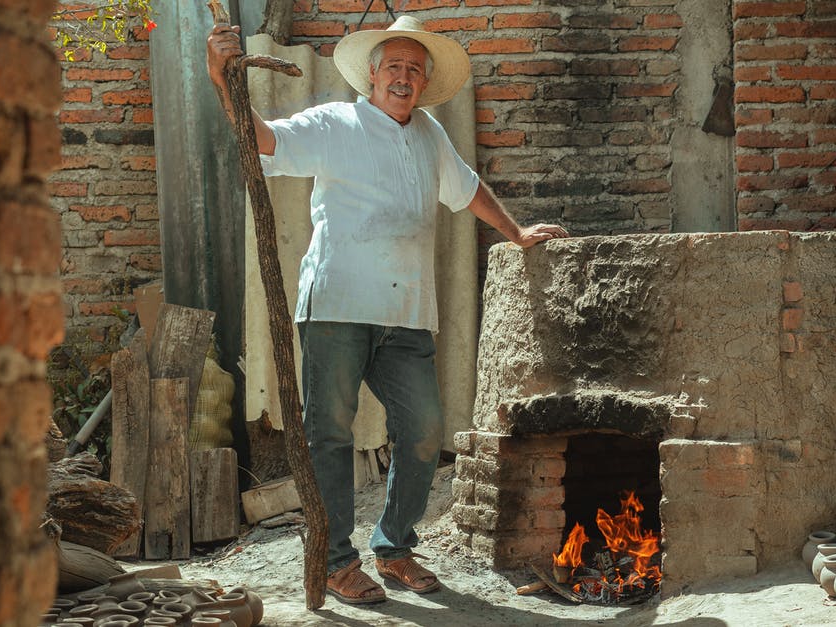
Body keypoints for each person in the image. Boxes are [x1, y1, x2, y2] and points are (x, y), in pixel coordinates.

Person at [207, 15, 569, 604]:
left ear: (424, 83)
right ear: (372, 75)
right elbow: (262, 139)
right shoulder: (335, 122)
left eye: (415, 70)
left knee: (424, 430)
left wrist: (515, 230)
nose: (404, 78)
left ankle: (394, 546)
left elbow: (467, 186)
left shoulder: (428, 132)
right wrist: (222, 78)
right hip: (336, 305)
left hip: (407, 312)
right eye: (394, 67)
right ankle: (335, 561)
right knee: (329, 435)